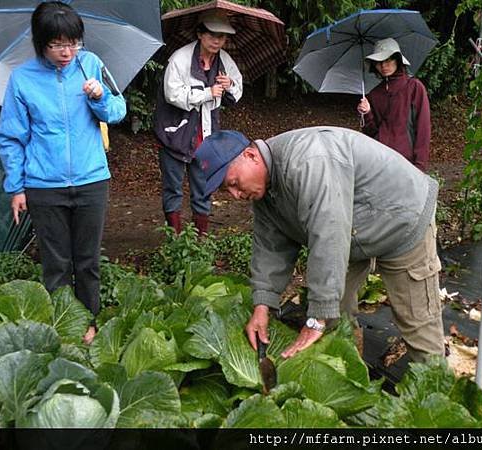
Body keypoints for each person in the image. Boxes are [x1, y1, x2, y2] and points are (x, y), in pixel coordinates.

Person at [196, 127, 445, 363]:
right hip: (354, 233)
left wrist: (316, 319)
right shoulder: (265, 193)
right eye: (226, 190)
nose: (235, 195)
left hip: (401, 218)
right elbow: (270, 248)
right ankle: (353, 380)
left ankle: (437, 396)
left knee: (418, 324)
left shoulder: (307, 162)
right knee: (335, 316)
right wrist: (262, 306)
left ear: (250, 156)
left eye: (233, 183)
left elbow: (329, 234)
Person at [0, 1, 126, 344]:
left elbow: (117, 110)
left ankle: (90, 324)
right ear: (41, 42)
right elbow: (11, 137)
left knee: (87, 262)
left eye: (73, 43)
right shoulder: (22, 79)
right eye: (57, 45)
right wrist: (17, 187)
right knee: (55, 264)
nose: (67, 52)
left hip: (91, 180)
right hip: (43, 186)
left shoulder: (91, 65)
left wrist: (99, 98)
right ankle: (64, 328)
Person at [153, 11, 243, 235]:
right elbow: (172, 94)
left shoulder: (224, 61)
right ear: (200, 34)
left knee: (203, 187)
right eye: (212, 34)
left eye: (222, 36)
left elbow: (237, 92)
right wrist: (207, 92)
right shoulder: (179, 59)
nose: (217, 40)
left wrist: (229, 83)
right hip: (175, 133)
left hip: (206, 135)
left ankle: (200, 239)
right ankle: (175, 240)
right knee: (173, 188)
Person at [357, 38, 431, 172]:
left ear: (398, 60)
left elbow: (423, 129)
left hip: (407, 164)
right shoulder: (374, 94)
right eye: (379, 62)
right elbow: (372, 134)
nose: (383, 66)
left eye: (388, 60)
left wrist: (420, 167)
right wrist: (367, 113)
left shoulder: (414, 88)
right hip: (380, 162)